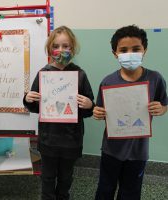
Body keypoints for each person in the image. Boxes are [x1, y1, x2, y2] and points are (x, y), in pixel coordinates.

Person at [93, 25, 168, 200]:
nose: (130, 54)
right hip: (111, 149)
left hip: (138, 151)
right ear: (115, 53)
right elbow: (100, 109)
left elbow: (164, 104)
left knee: (131, 192)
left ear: (144, 50)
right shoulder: (108, 81)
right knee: (105, 188)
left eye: (136, 49)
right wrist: (97, 113)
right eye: (123, 50)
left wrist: (161, 109)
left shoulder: (155, 79)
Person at [23, 26, 94, 200]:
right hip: (49, 139)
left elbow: (89, 109)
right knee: (47, 177)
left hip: (71, 140)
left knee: (66, 177)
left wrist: (89, 104)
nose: (60, 50)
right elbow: (34, 107)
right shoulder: (43, 74)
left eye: (66, 46)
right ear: (49, 49)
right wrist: (28, 98)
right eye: (56, 46)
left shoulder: (80, 75)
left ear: (73, 49)